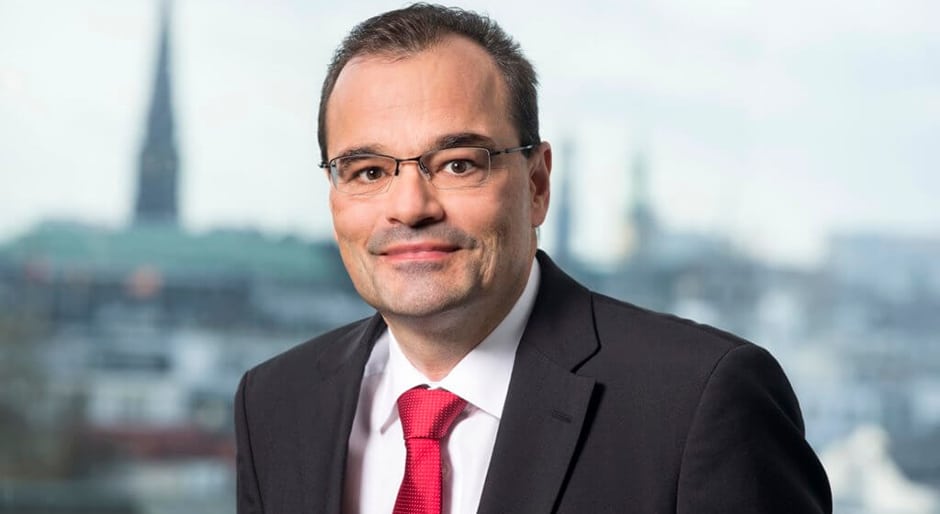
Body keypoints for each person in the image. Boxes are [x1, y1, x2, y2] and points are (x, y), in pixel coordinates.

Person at [234, 4, 832, 513]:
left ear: (538, 184)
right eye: (368, 172)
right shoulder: (273, 404)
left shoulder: (701, 401)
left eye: (458, 164)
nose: (410, 208)